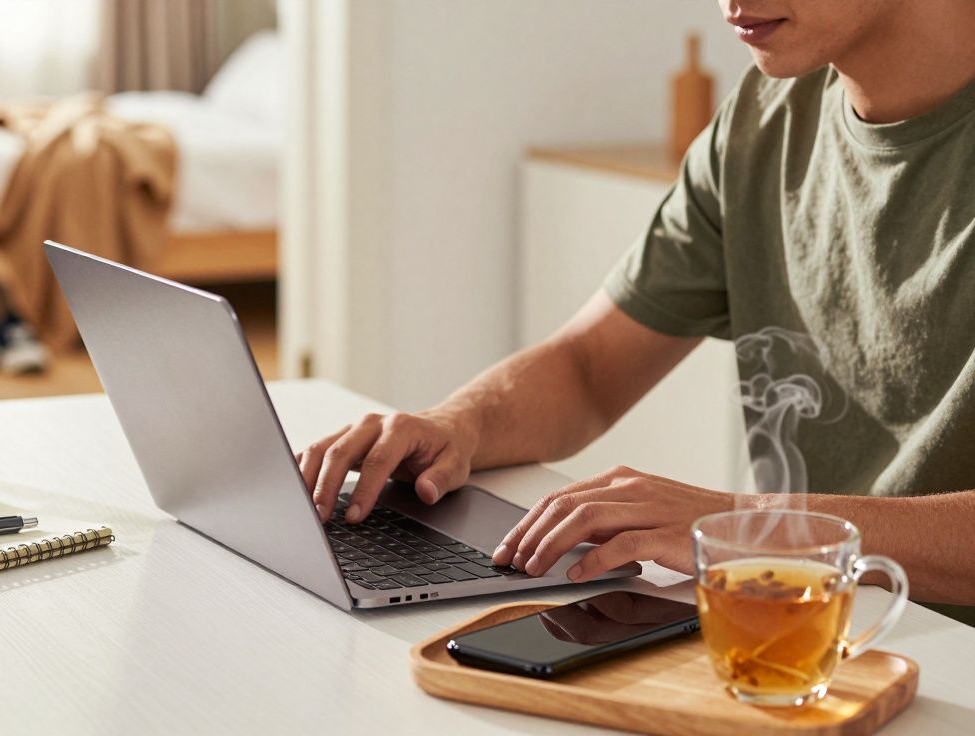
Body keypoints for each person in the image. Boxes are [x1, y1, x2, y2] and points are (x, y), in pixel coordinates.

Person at [297, 0, 975, 623]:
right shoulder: (765, 119)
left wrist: (747, 526)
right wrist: (459, 426)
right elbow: (589, 367)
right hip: (795, 627)